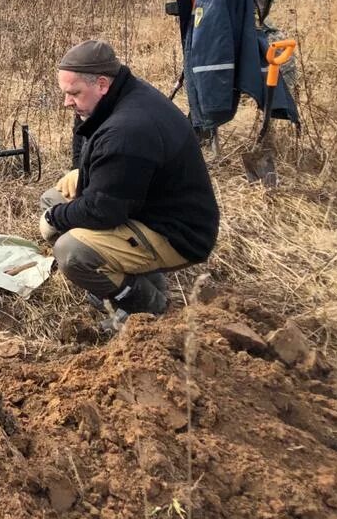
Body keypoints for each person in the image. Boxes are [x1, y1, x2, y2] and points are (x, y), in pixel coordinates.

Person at [40, 40, 220, 332]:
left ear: (101, 83)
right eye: (65, 93)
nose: (67, 102)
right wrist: (77, 170)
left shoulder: (128, 130)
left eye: (74, 93)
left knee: (72, 253)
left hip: (178, 232)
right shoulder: (117, 95)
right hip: (142, 205)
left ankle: (150, 311)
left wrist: (54, 219)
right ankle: (134, 279)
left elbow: (103, 211)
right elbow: (84, 129)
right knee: (54, 197)